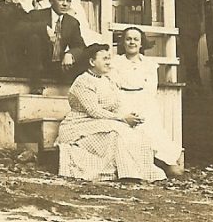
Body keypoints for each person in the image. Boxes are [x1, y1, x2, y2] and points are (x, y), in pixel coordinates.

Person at [56, 44, 166, 182]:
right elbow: (93, 111)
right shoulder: (82, 81)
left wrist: (129, 116)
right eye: (105, 59)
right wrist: (122, 119)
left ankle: (144, 172)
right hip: (78, 126)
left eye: (109, 58)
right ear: (92, 62)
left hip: (103, 123)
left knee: (138, 133)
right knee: (116, 134)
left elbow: (116, 105)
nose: (109, 62)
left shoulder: (108, 80)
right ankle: (128, 174)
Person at [111, 26, 184, 177]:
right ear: (123, 42)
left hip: (144, 102)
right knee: (129, 129)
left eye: (135, 39)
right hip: (122, 101)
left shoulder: (149, 64)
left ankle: (165, 161)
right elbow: (113, 87)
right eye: (128, 39)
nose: (132, 42)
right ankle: (142, 164)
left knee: (151, 128)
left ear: (141, 43)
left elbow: (151, 89)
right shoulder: (115, 63)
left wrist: (142, 109)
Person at [22, 0, 87, 94]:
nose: (65, 4)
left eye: (68, 0)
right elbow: (18, 29)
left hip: (57, 66)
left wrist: (70, 54)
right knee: (34, 38)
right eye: (61, 0)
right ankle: (36, 86)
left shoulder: (72, 22)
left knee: (91, 51)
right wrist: (43, 29)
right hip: (35, 66)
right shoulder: (36, 15)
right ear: (51, 1)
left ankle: (82, 90)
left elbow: (79, 46)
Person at [174, 0, 205, 87]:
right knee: (190, 57)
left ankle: (192, 82)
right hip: (183, 30)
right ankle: (195, 82)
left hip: (194, 31)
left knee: (192, 56)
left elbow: (201, 13)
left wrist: (201, 27)